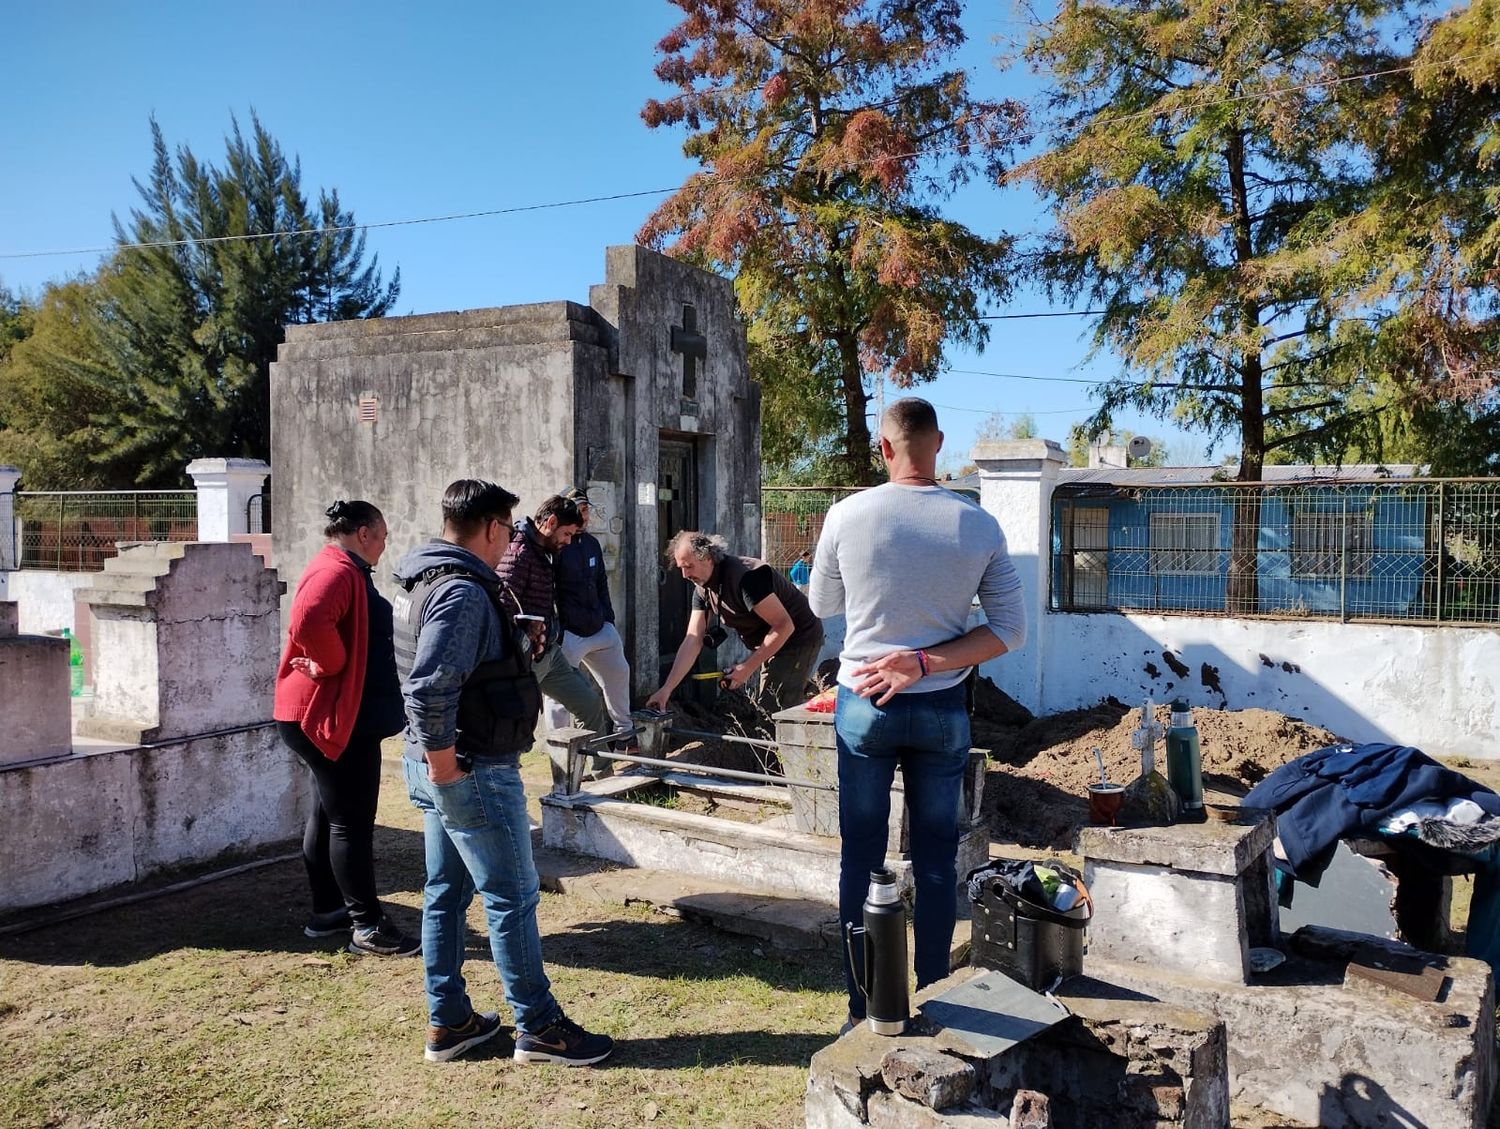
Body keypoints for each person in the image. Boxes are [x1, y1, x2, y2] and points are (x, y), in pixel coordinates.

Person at [808, 398, 1026, 1030]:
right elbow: (1010, 632)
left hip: (864, 705)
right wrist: (926, 662)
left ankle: (863, 1007)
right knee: (935, 862)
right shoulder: (977, 525)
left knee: (862, 857)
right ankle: (932, 995)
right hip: (940, 709)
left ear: (885, 448)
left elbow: (823, 605)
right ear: (939, 447)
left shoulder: (849, 514)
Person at [393, 479, 613, 1066]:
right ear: (491, 527)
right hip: (469, 770)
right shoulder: (462, 592)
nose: (509, 540)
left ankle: (450, 1022)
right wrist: (449, 773)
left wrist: (514, 638)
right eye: (507, 529)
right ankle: (539, 1027)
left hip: (436, 762)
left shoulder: (420, 583)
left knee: (446, 893)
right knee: (512, 897)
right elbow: (429, 687)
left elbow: (448, 669)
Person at [272, 500, 419, 957]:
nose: (384, 543)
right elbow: (308, 619)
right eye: (382, 534)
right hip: (329, 715)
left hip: (324, 714)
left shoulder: (339, 567)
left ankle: (329, 912)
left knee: (329, 815)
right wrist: (330, 662)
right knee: (351, 824)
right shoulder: (335, 571)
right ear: (362, 533)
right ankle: (367, 926)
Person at [646, 531, 824, 714]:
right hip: (774, 641)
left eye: (689, 566)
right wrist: (666, 689)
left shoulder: (746, 578)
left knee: (775, 710)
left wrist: (747, 667)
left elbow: (784, 625)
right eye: (680, 567)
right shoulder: (702, 589)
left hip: (799, 638)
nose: (684, 575)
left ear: (707, 558)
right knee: (769, 708)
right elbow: (693, 639)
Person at [497, 494, 613, 745]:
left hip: (549, 653)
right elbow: (500, 607)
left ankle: (599, 775)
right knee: (515, 727)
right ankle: (558, 782)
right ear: (550, 523)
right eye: (567, 534)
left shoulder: (544, 550)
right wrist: (522, 645)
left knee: (590, 704)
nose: (569, 542)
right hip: (525, 661)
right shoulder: (519, 552)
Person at [547, 487, 633, 748]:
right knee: (559, 694)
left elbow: (601, 584)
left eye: (586, 510)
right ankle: (559, 747)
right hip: (570, 633)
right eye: (581, 510)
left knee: (619, 674)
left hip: (599, 628)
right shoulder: (559, 546)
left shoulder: (592, 544)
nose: (586, 516)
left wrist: (609, 619)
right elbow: (548, 590)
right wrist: (558, 631)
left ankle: (625, 735)